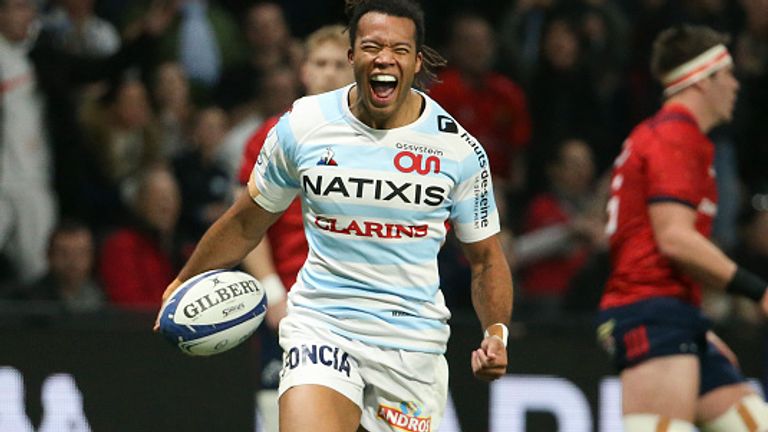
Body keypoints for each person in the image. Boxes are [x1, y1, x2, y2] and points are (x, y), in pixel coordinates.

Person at [155, 1, 513, 431]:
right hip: (321, 326)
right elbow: (246, 220)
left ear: (417, 62)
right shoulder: (303, 125)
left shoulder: (458, 150)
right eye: (371, 46)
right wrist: (183, 280)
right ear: (352, 57)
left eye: (399, 49)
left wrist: (496, 332)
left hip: (410, 345)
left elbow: (486, 259)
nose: (384, 58)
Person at [596, 25, 768, 432]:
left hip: (671, 312)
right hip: (652, 311)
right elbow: (674, 238)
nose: (735, 85)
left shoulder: (661, 134)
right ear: (704, 80)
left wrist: (693, 322)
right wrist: (758, 291)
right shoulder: (677, 136)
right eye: (727, 74)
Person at [235, 24, 354, 432]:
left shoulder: (379, 141)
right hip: (290, 306)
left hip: (356, 308)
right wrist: (272, 293)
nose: (329, 73)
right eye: (320, 63)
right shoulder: (272, 136)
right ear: (303, 71)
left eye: (340, 64)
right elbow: (247, 225)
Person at [102, 165, 183, 309]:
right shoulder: (121, 246)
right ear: (140, 201)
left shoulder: (183, 249)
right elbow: (129, 306)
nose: (166, 205)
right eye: (157, 198)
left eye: (170, 197)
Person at [18, 219, 104, 313]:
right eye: (63, 253)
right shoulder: (27, 302)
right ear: (49, 255)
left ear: (91, 256)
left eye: (80, 253)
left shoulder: (101, 297)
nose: (73, 261)